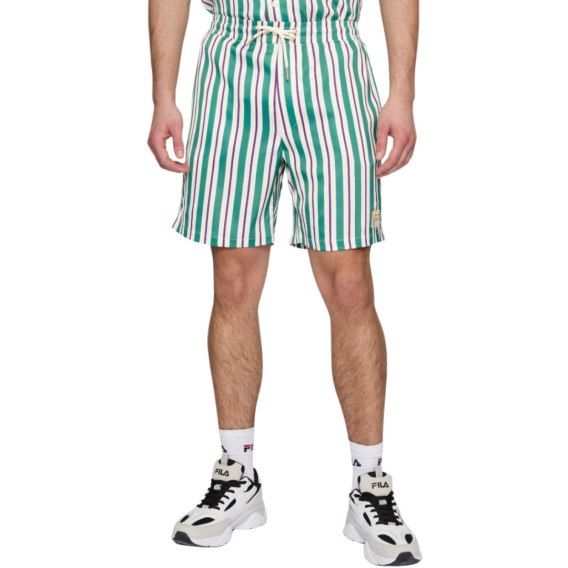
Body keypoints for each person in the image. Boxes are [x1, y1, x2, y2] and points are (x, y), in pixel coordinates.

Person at [147, 0, 420, 564]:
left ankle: (369, 484)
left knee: (350, 285)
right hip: (232, 66)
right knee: (232, 282)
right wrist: (162, 96)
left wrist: (402, 92)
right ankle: (237, 474)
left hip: (330, 62)